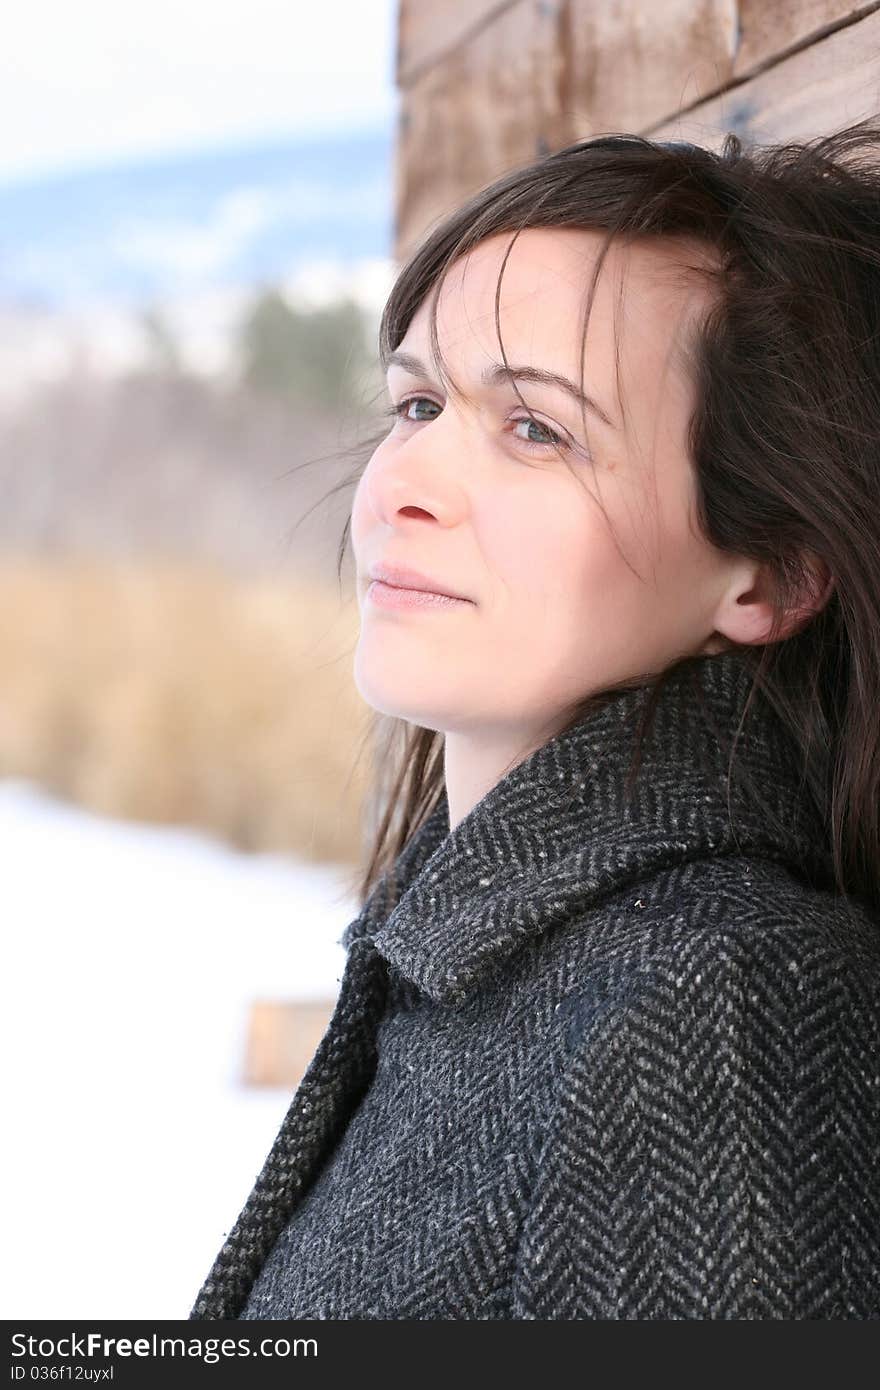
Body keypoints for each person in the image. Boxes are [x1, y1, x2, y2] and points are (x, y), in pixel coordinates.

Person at [190, 122, 880, 1319]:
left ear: (765, 575)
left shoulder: (719, 997)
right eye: (415, 405)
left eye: (535, 430)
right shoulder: (479, 947)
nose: (403, 488)